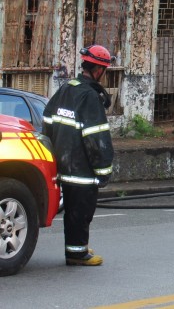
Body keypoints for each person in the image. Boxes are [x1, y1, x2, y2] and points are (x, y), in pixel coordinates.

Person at [43, 45, 115, 266]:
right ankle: (77, 253)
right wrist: (103, 171)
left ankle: (77, 248)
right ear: (99, 70)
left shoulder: (67, 88)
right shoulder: (90, 97)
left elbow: (47, 120)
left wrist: (54, 155)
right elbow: (97, 138)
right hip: (82, 169)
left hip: (63, 164)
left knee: (73, 211)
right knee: (81, 211)